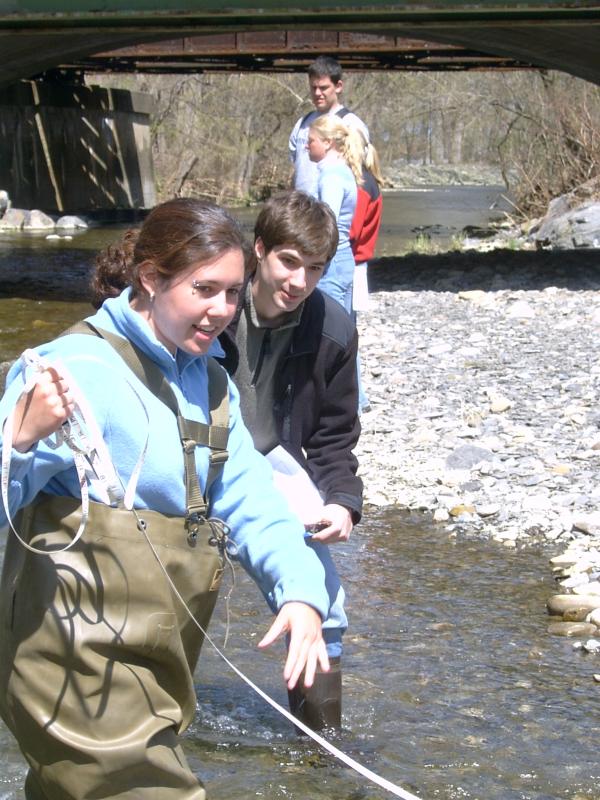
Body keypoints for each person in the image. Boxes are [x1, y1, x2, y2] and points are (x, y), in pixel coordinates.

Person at [0, 198, 332, 799]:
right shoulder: (70, 369)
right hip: (68, 673)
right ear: (150, 279)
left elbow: (255, 503)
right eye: (204, 289)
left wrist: (303, 593)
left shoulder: (209, 383)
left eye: (233, 293)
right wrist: (19, 438)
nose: (222, 311)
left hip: (156, 670)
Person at [217, 190, 363, 731]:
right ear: (260, 250)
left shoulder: (333, 328)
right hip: (201, 462)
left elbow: (333, 434)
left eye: (316, 268)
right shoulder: (215, 305)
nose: (299, 282)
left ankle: (318, 751)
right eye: (289, 262)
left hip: (275, 475)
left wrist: (343, 502)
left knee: (326, 609)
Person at [306, 113, 363, 315]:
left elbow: (327, 221)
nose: (306, 146)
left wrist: (314, 259)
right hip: (342, 257)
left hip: (332, 261)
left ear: (327, 142)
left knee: (331, 325)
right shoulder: (342, 171)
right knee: (344, 326)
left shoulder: (331, 175)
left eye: (311, 141)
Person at [289, 55, 369, 196]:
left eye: (323, 88)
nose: (317, 93)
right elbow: (295, 171)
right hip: (301, 211)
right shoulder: (302, 124)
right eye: (313, 88)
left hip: (331, 212)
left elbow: (360, 176)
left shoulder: (352, 125)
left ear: (338, 87)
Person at [349, 133, 385, 413]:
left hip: (352, 264)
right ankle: (357, 397)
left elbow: (351, 231)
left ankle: (356, 398)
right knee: (348, 331)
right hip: (358, 264)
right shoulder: (370, 181)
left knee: (344, 332)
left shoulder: (361, 184)